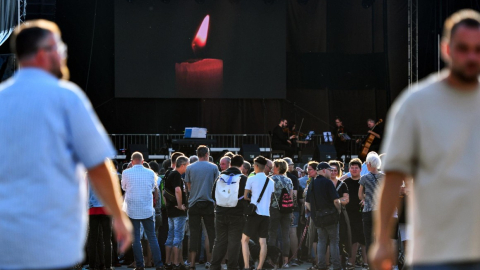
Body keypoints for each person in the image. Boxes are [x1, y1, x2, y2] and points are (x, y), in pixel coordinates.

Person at [0, 20, 132, 269]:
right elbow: (97, 165)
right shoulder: (67, 97)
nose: (63, 54)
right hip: (54, 243)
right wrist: (118, 215)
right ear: (43, 53)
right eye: (58, 47)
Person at [370, 9, 480, 270]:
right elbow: (393, 177)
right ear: (446, 49)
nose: (471, 56)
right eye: (463, 48)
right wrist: (383, 240)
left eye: (477, 48)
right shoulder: (416, 104)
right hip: (433, 252)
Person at [122, 152, 164, 270]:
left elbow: (123, 187)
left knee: (135, 238)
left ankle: (139, 265)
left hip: (132, 209)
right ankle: (159, 264)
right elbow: (152, 188)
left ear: (132, 161)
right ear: (142, 160)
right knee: (152, 237)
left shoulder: (126, 172)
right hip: (147, 209)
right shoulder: (151, 173)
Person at [211, 155, 248, 270]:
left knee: (219, 240)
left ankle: (214, 265)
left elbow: (213, 195)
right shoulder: (243, 178)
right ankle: (232, 266)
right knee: (234, 241)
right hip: (237, 214)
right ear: (242, 165)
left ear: (230, 164)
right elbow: (248, 197)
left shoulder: (220, 177)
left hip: (220, 212)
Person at [185, 145, 219, 269]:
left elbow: (188, 186)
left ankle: (192, 262)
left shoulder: (190, 167)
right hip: (209, 203)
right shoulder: (214, 167)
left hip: (194, 203)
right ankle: (210, 261)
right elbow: (217, 185)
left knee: (194, 233)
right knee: (210, 233)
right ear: (207, 154)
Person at [305, 162, 342, 270]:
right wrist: (338, 211)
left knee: (321, 241)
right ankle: (336, 266)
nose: (331, 172)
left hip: (318, 218)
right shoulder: (328, 183)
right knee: (334, 241)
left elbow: (307, 203)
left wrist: (315, 212)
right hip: (331, 217)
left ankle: (321, 266)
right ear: (324, 170)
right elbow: (336, 201)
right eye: (330, 170)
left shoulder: (312, 183)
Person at [241, 156, 275, 270]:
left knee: (244, 240)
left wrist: (253, 200)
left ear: (256, 166)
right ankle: (259, 267)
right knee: (263, 242)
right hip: (266, 214)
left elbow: (245, 196)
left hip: (254, 213)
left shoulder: (251, 179)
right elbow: (270, 198)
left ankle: (246, 266)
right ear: (265, 166)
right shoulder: (271, 181)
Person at [358, 152, 384, 269]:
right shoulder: (383, 176)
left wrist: (366, 199)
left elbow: (359, 195)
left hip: (368, 210)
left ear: (368, 164)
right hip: (380, 211)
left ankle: (370, 265)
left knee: (368, 239)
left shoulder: (364, 178)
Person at [165, 156, 190, 270]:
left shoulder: (169, 174)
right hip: (178, 212)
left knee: (170, 236)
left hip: (170, 210)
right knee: (178, 237)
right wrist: (180, 205)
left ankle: (168, 262)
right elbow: (178, 190)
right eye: (188, 165)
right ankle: (176, 263)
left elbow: (164, 192)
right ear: (183, 165)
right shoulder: (176, 175)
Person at [268, 159, 294, 268]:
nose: (272, 168)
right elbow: (291, 197)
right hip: (287, 209)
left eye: (274, 166)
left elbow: (269, 196)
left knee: (272, 234)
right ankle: (285, 261)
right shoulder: (289, 180)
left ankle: (271, 261)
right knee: (285, 235)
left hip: (274, 209)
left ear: (278, 167)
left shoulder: (271, 179)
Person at [343, 159, 367, 269]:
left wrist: (365, 200)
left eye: (356, 168)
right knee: (351, 239)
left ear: (360, 169)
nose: (354, 170)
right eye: (352, 168)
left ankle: (366, 263)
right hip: (349, 214)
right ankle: (351, 262)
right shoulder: (346, 182)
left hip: (363, 213)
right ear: (349, 169)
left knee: (364, 239)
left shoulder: (364, 181)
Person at [284, 158, 302, 266]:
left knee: (280, 233)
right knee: (292, 232)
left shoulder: (272, 177)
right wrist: (292, 208)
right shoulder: (293, 178)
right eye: (291, 165)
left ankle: (280, 259)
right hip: (291, 208)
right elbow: (294, 195)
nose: (293, 166)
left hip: (277, 209)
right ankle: (294, 258)